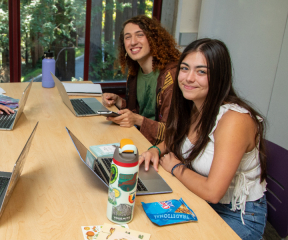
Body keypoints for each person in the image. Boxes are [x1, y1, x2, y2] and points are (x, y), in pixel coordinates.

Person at [139, 38, 267, 240]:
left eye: (201, 72)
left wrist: (175, 167)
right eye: (185, 68)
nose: (189, 78)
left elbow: (213, 192)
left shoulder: (234, 120)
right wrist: (155, 150)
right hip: (198, 200)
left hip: (236, 216)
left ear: (219, 77)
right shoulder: (195, 105)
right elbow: (177, 139)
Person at [102, 15, 180, 145]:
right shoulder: (134, 72)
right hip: (137, 137)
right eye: (128, 37)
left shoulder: (171, 76)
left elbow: (171, 132)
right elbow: (141, 111)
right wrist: (119, 101)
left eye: (139, 35)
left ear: (153, 39)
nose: (132, 42)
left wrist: (137, 120)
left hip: (160, 148)